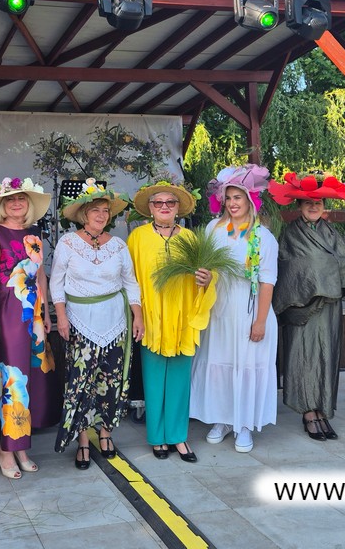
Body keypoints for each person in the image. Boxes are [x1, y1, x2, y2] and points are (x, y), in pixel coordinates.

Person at [268, 173, 345, 441]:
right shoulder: (291, 234)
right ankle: (307, 413)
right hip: (301, 307)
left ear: (324, 207)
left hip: (330, 307)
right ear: (299, 207)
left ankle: (323, 410)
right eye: (308, 203)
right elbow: (289, 267)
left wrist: (329, 276)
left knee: (328, 357)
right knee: (303, 358)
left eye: (319, 203)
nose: (314, 207)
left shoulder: (331, 233)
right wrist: (317, 279)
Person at [50, 180, 143, 469]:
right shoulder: (67, 243)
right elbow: (57, 284)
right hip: (80, 321)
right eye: (95, 210)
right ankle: (82, 440)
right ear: (83, 214)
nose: (101, 215)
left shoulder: (118, 245)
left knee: (112, 381)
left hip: (115, 321)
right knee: (80, 384)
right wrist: (62, 317)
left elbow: (130, 282)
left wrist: (137, 315)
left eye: (105, 211)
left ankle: (105, 434)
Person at [191, 164, 279, 454]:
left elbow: (267, 281)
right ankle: (222, 419)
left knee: (246, 365)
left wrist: (261, 321)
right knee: (220, 364)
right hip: (219, 306)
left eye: (238, 197)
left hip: (249, 307)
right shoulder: (213, 229)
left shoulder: (262, 237)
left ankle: (243, 425)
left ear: (250, 200)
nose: (233, 203)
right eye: (228, 198)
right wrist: (202, 278)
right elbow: (204, 267)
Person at [127, 180, 212, 462]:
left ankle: (178, 437)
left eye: (170, 203)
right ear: (150, 209)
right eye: (158, 203)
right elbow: (130, 281)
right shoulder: (137, 238)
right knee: (152, 379)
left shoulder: (190, 239)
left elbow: (206, 276)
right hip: (150, 317)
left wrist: (206, 279)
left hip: (182, 316)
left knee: (178, 378)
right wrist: (137, 315)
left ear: (178, 208)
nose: (164, 207)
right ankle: (157, 438)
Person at [0, 177, 56, 479]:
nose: (15, 203)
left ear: (28, 204)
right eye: (9, 199)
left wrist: (45, 311)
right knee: (12, 377)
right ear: (2, 205)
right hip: (8, 310)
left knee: (32, 375)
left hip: (33, 312)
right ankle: (6, 447)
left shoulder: (35, 233)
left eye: (21, 199)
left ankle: (21, 444)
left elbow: (39, 275)